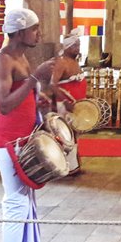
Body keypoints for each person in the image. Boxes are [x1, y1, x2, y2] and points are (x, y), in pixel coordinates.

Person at [0, 8, 56, 242]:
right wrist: (33, 81)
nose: (38, 34)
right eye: (34, 29)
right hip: (8, 141)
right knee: (15, 206)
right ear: (18, 32)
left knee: (26, 203)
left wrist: (36, 96)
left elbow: (21, 94)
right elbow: (3, 105)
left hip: (24, 137)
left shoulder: (22, 56)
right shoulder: (2, 60)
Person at [51, 29, 85, 175]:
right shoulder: (62, 62)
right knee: (66, 135)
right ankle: (66, 167)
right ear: (68, 47)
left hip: (76, 104)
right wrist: (65, 100)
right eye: (76, 46)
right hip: (65, 105)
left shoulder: (74, 62)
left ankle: (74, 166)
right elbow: (53, 84)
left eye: (79, 45)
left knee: (74, 135)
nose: (78, 49)